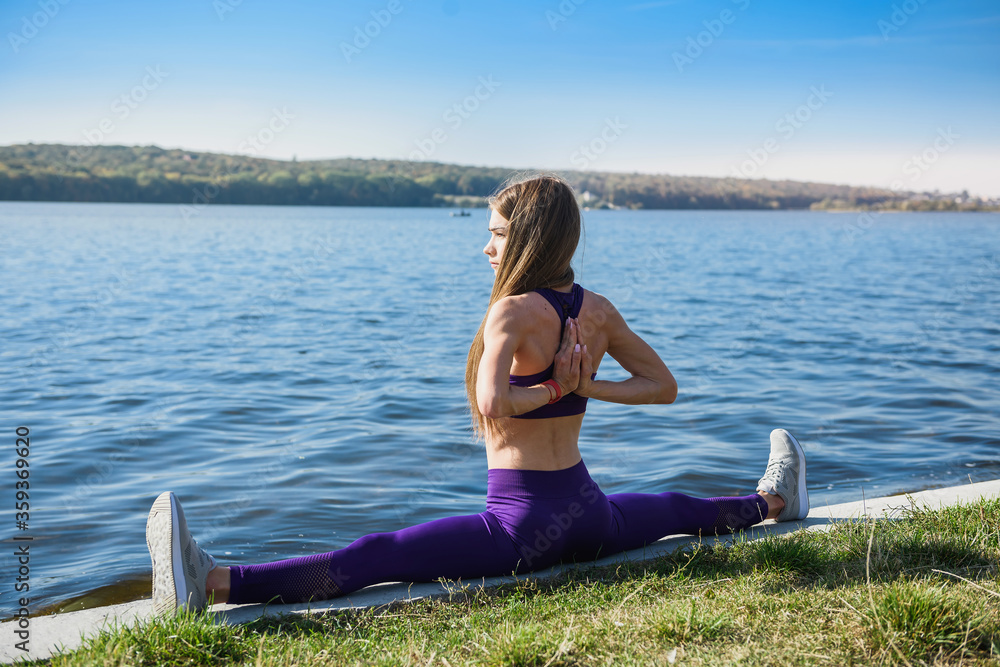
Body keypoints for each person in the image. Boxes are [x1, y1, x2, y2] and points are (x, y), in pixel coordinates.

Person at [145, 174, 808, 615]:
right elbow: (663, 388)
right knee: (673, 506)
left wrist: (553, 384)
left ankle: (208, 581)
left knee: (379, 554)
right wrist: (588, 386)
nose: (485, 244)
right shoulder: (596, 310)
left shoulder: (511, 314)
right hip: (588, 511)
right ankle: (776, 498)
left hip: (518, 527)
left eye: (495, 232)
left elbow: (494, 404)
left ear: (524, 238)